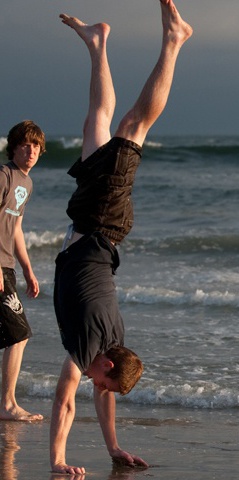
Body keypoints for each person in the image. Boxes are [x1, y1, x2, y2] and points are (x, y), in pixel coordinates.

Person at [50, 1, 192, 474]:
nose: (100, 389)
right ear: (107, 365)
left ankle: (97, 43)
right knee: (134, 127)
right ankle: (174, 41)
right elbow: (66, 401)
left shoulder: (111, 346)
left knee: (96, 123)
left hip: (93, 225)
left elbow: (98, 395)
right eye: (105, 384)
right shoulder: (89, 348)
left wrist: (113, 449)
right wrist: (58, 461)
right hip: (101, 221)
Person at [0, 121, 45, 422]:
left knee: (15, 334)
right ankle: (7, 405)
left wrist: (28, 269)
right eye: (25, 145)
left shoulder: (26, 183)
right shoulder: (3, 175)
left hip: (8, 266)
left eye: (36, 146)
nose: (31, 151)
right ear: (14, 147)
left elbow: (15, 226)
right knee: (19, 334)